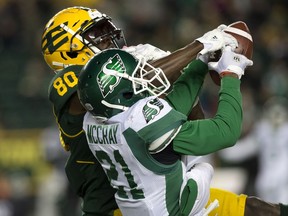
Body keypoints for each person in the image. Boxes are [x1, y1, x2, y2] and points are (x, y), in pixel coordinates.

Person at [43, 5, 239, 215]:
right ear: (69, 50)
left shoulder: (122, 101)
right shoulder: (71, 82)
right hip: (110, 205)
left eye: (105, 30)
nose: (108, 38)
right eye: (96, 34)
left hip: (155, 195)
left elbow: (183, 114)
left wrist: (191, 70)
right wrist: (200, 47)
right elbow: (139, 82)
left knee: (256, 208)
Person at [77, 47, 253, 215]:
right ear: (120, 94)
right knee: (202, 170)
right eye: (136, 77)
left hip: (136, 210)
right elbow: (226, 132)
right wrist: (231, 74)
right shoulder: (140, 124)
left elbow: (173, 108)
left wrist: (201, 62)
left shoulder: (92, 121)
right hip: (167, 212)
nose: (142, 79)